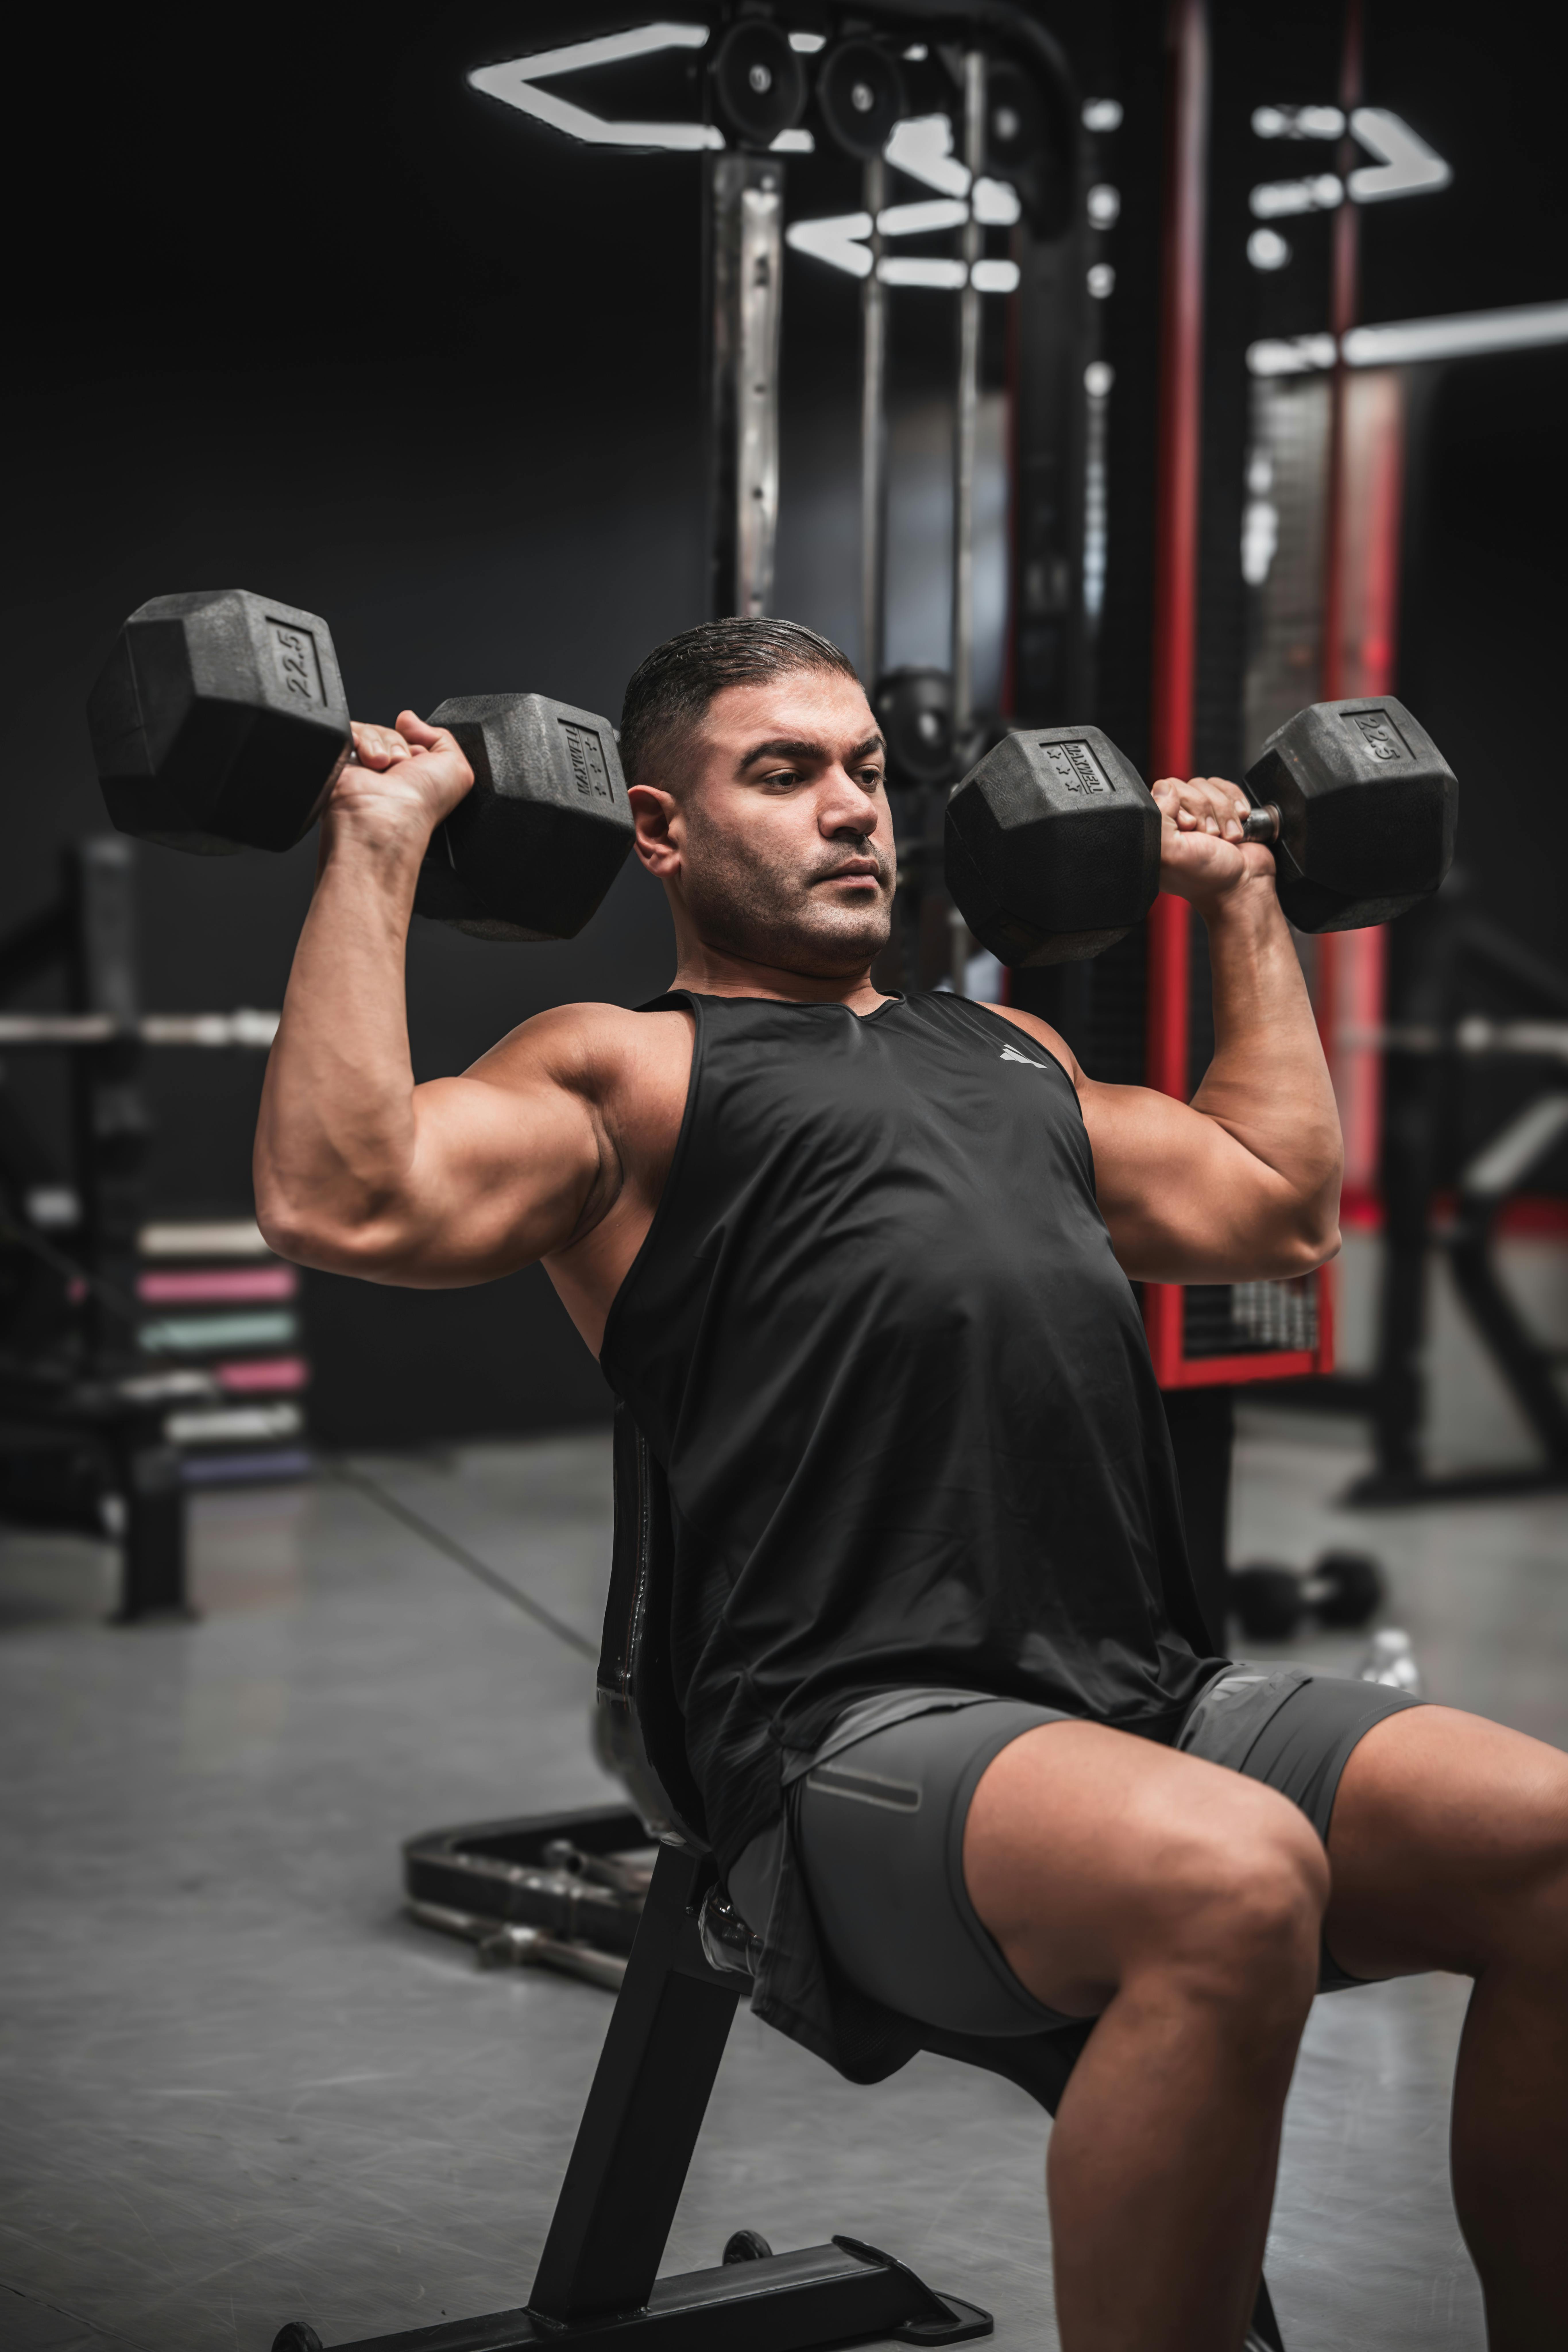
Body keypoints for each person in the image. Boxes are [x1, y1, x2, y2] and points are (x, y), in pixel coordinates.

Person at [254, 617, 1568, 2352]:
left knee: (1550, 1845)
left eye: (866, 772)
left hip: (1137, 1699)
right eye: (784, 776)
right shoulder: (623, 1069)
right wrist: (377, 836)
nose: (852, 810)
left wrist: (1243, 900)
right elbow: (345, 1197)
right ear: (658, 831)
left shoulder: (1006, 1054)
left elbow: (1268, 1200)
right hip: (843, 1734)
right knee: (1232, 1879)